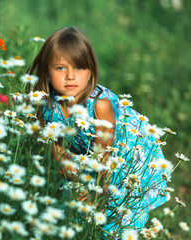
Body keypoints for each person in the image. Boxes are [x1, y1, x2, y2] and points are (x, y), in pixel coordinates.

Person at [27, 26, 169, 235]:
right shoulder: (45, 105)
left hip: (127, 159)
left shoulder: (99, 106)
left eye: (79, 68)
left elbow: (104, 158)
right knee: (70, 209)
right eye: (60, 68)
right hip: (87, 158)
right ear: (47, 71)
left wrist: (96, 197)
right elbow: (54, 147)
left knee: (120, 221)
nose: (70, 76)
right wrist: (79, 182)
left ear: (91, 70)